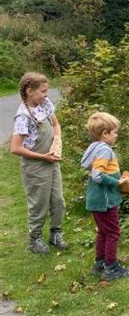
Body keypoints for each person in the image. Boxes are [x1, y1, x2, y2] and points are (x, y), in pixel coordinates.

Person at [10, 72, 67, 253]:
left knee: (58, 200)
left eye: (46, 91)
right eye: (43, 91)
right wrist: (43, 157)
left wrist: (57, 141)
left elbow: (56, 125)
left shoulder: (45, 104)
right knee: (38, 203)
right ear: (29, 91)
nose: (46, 94)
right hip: (35, 166)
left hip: (52, 160)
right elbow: (15, 148)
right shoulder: (23, 117)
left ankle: (56, 233)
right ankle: (35, 239)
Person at [81, 111, 129, 281]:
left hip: (96, 198)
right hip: (105, 201)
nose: (116, 135)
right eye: (115, 132)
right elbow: (97, 175)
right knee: (113, 232)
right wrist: (117, 183)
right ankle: (111, 267)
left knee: (103, 232)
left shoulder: (94, 147)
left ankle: (99, 263)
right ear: (105, 133)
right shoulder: (105, 150)